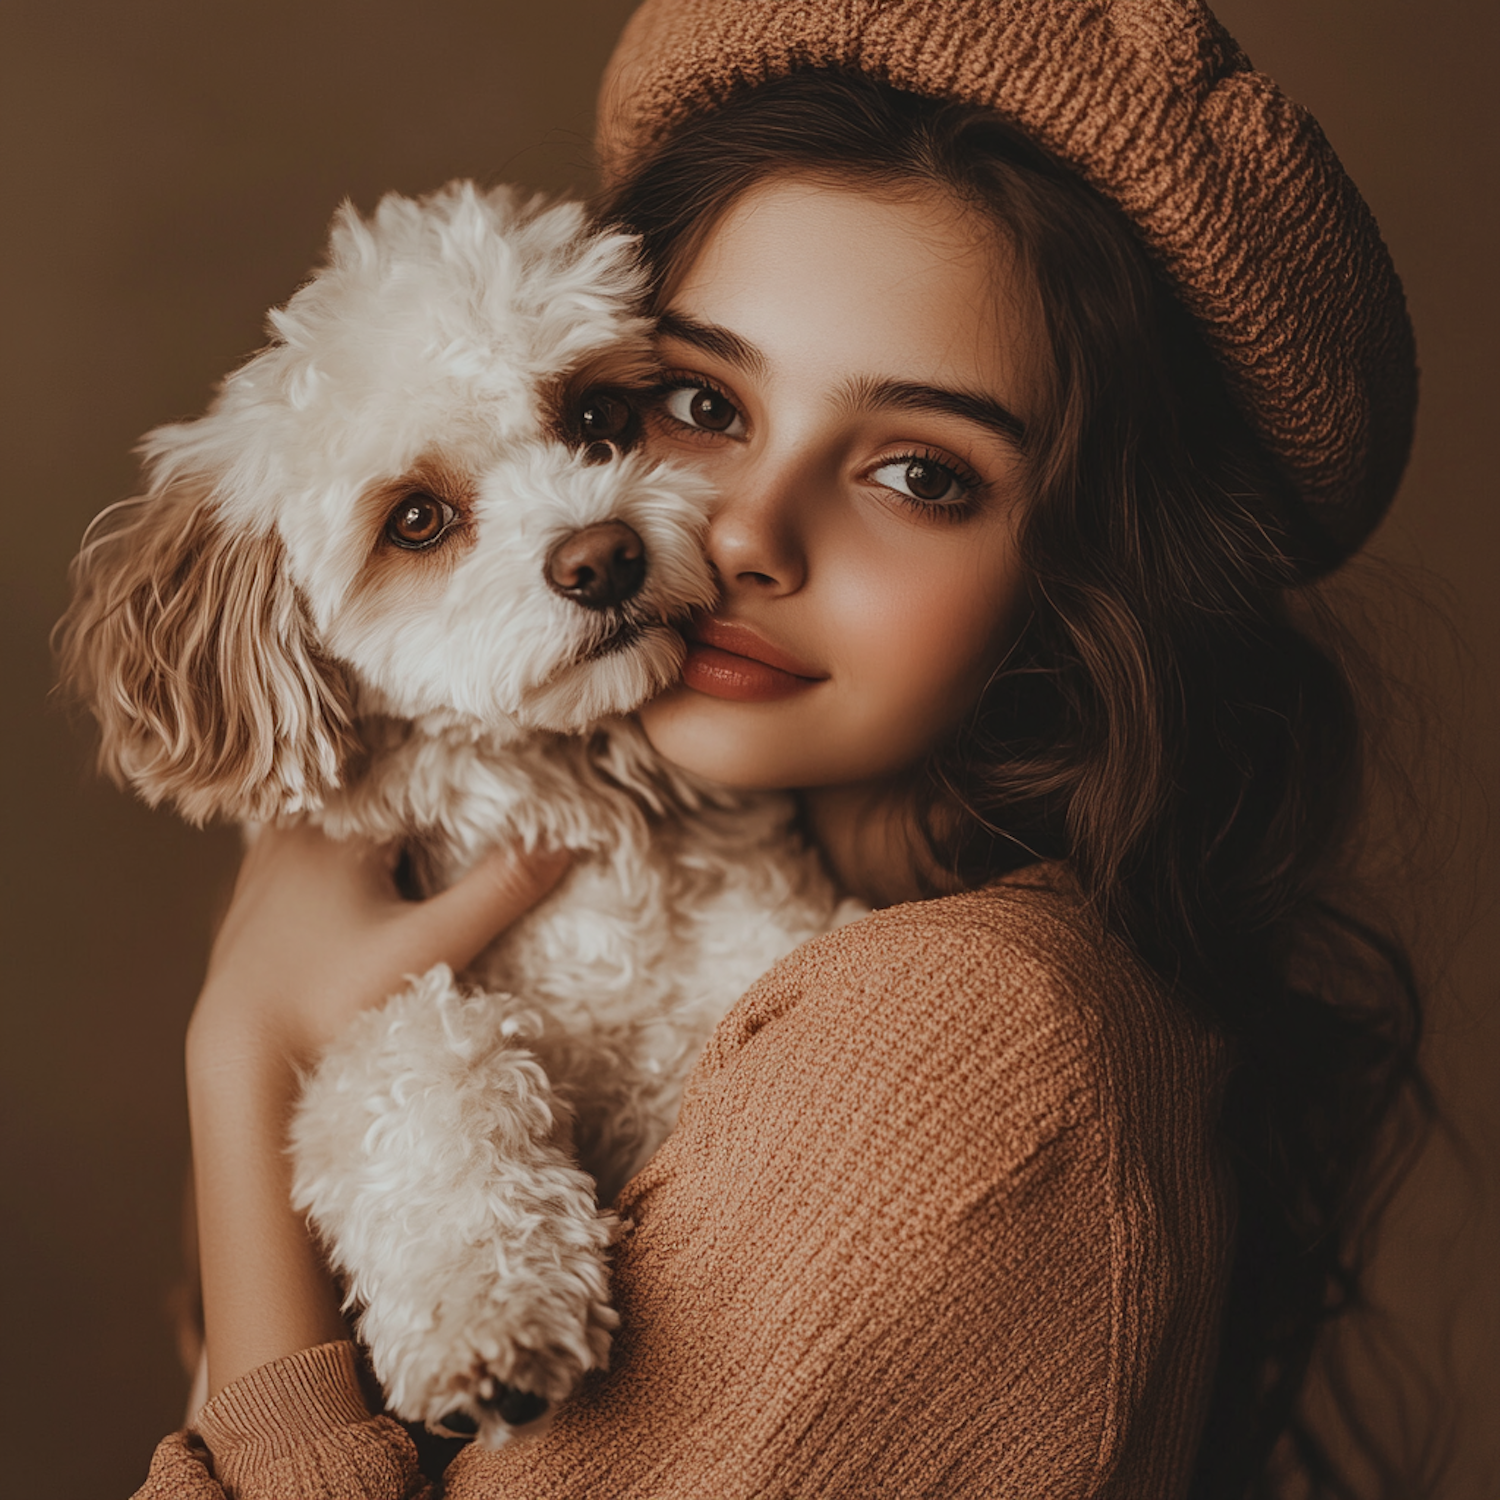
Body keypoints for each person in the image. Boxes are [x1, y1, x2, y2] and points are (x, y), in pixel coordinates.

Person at [129, 1, 1430, 1496]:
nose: (741, 533)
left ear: (1098, 577)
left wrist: (245, 1061)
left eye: (920, 472)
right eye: (695, 402)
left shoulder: (964, 1046)